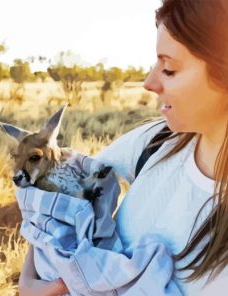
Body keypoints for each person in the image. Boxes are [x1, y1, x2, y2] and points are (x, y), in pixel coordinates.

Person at [18, 0, 228, 295]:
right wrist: (30, 279)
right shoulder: (156, 141)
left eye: (169, 68)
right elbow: (63, 200)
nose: (149, 82)